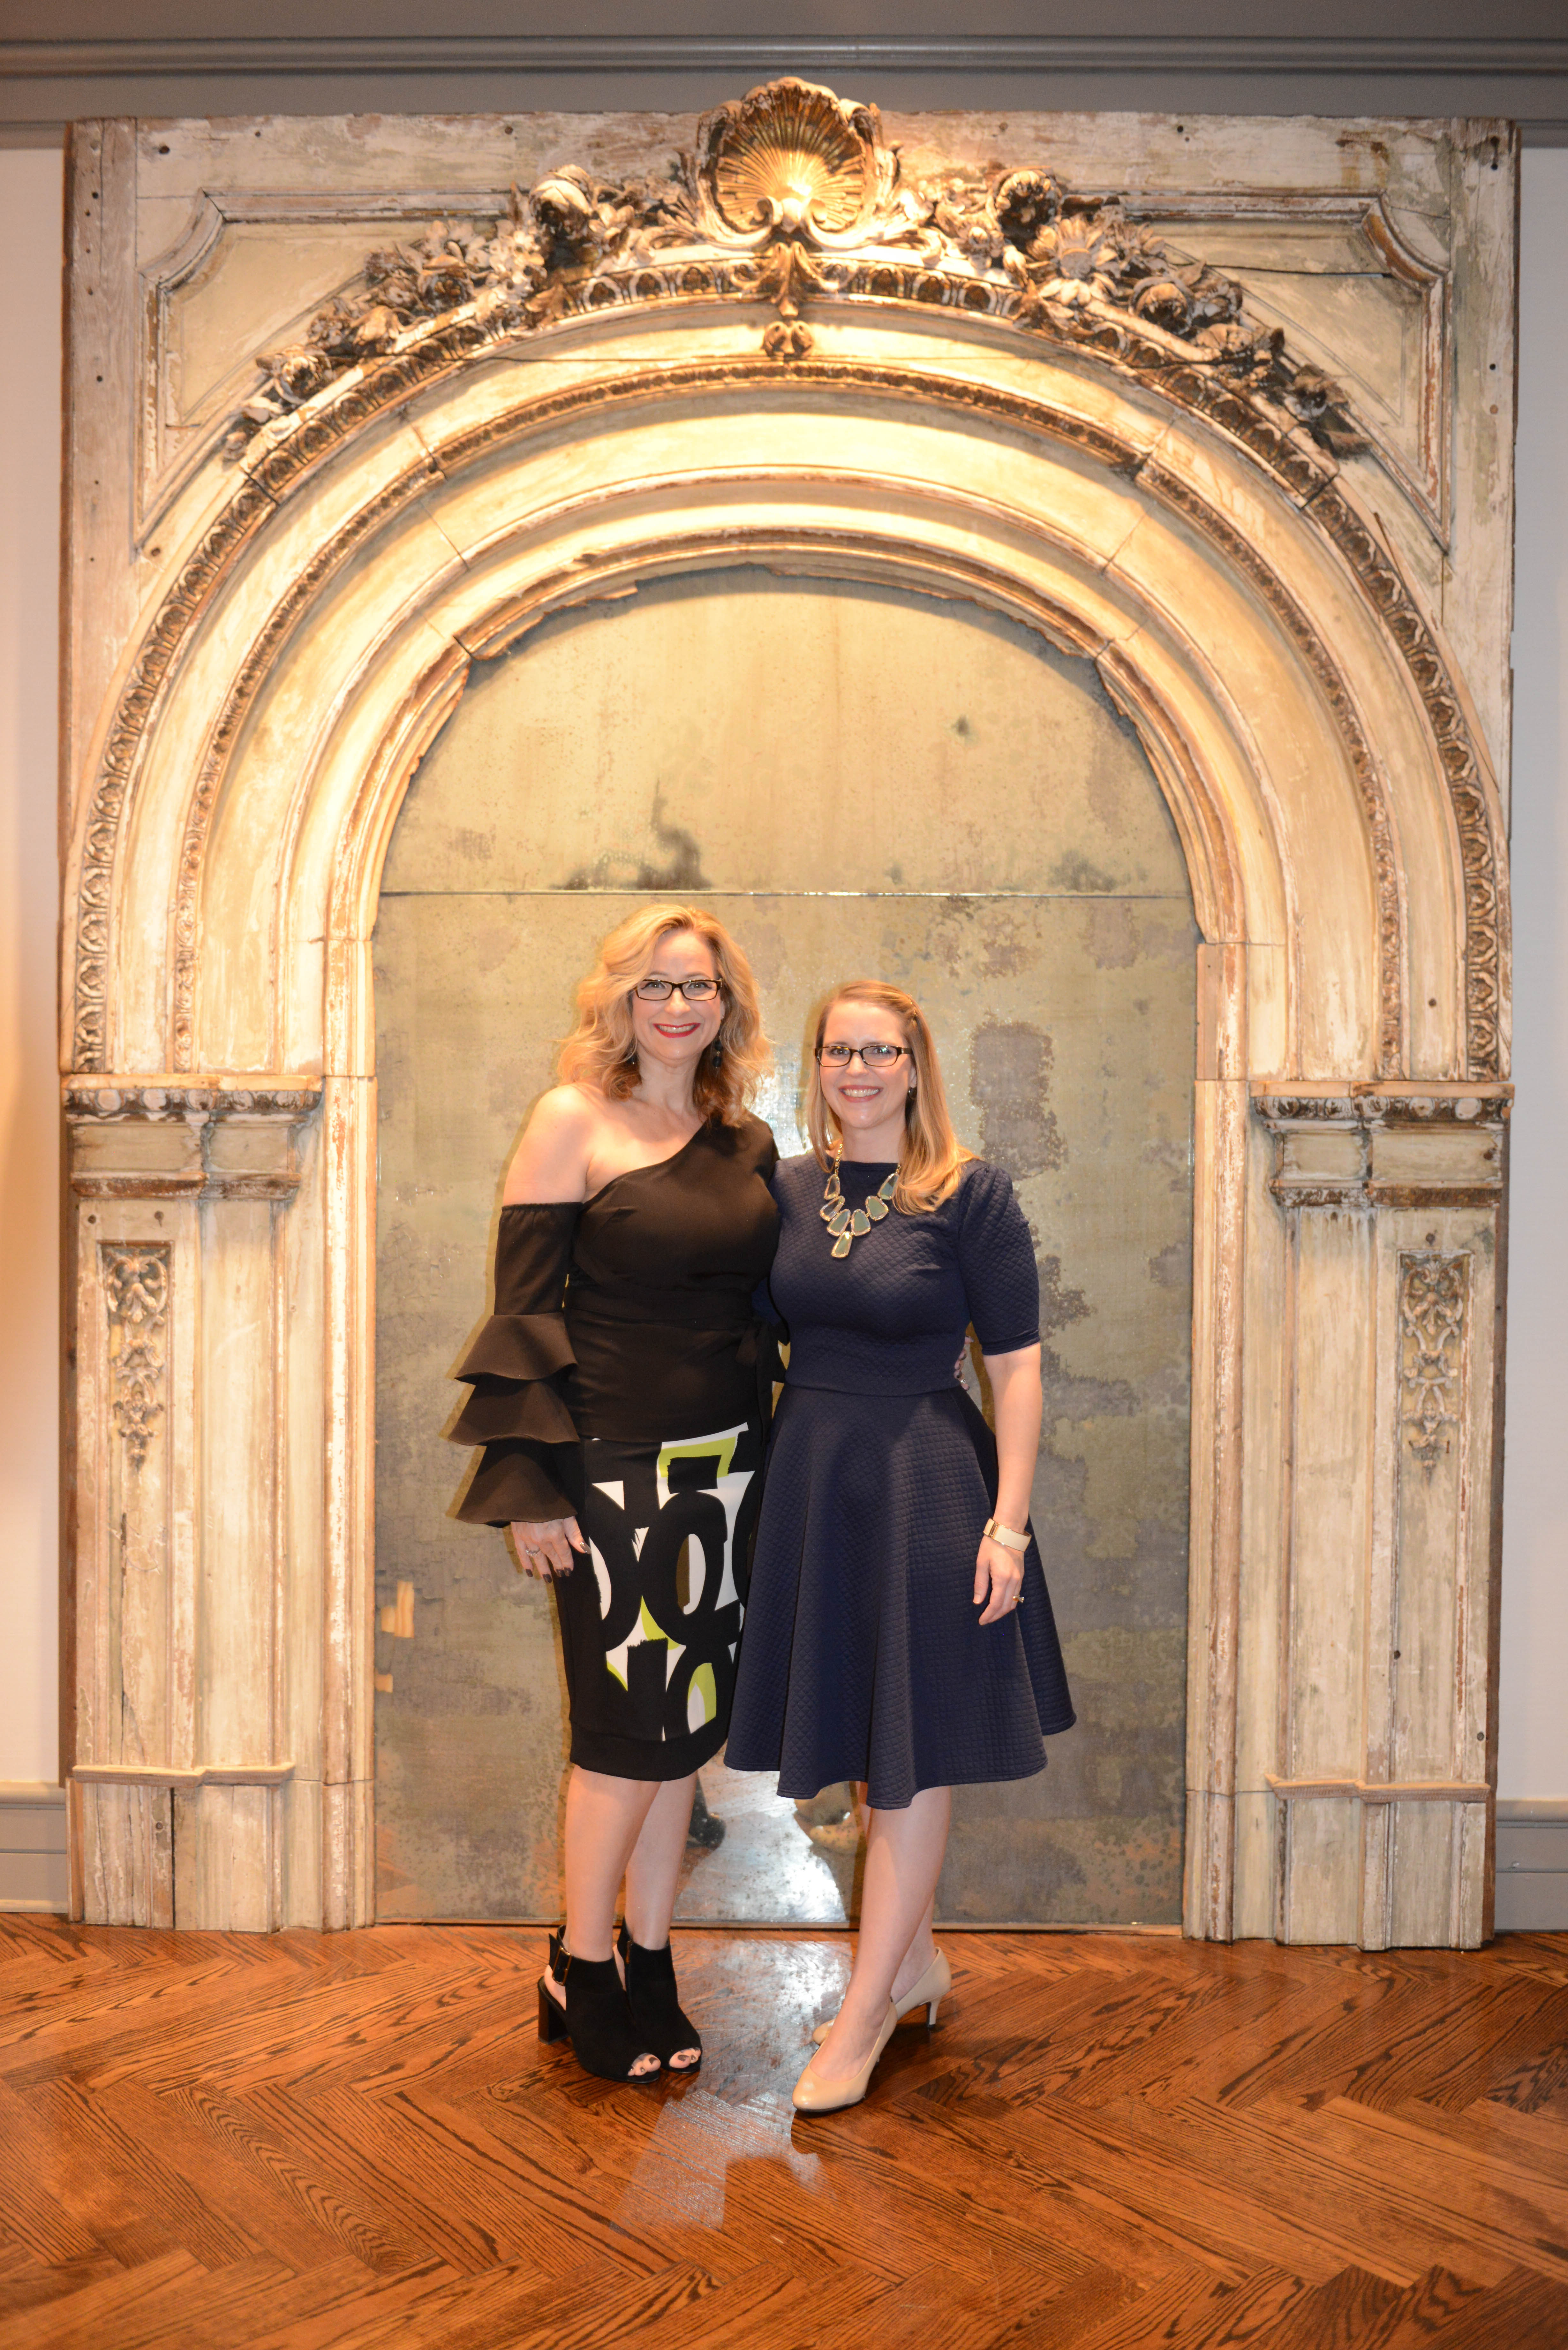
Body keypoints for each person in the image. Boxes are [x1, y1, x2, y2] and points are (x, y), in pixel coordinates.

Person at [727, 980, 1074, 2113]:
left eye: (881, 1051)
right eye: (840, 1051)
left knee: (909, 1753)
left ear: (917, 1065)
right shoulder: (789, 1188)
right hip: (815, 1484)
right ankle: (914, 1962)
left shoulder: (971, 1193)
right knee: (870, 1745)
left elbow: (1015, 1368)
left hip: (928, 1486)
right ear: (818, 1065)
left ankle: (867, 2010)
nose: (859, 1070)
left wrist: (1008, 1525)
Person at [448, 906, 778, 2082]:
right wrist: (532, 1488)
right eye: (656, 986)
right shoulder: (570, 1121)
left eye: (699, 986)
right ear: (622, 1000)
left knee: (683, 1735)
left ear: (727, 1004)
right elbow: (523, 1313)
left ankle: (648, 1958)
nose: (678, 1006)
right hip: (612, 1473)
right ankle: (580, 1969)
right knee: (622, 1735)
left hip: (727, 1474)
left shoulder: (743, 1140)